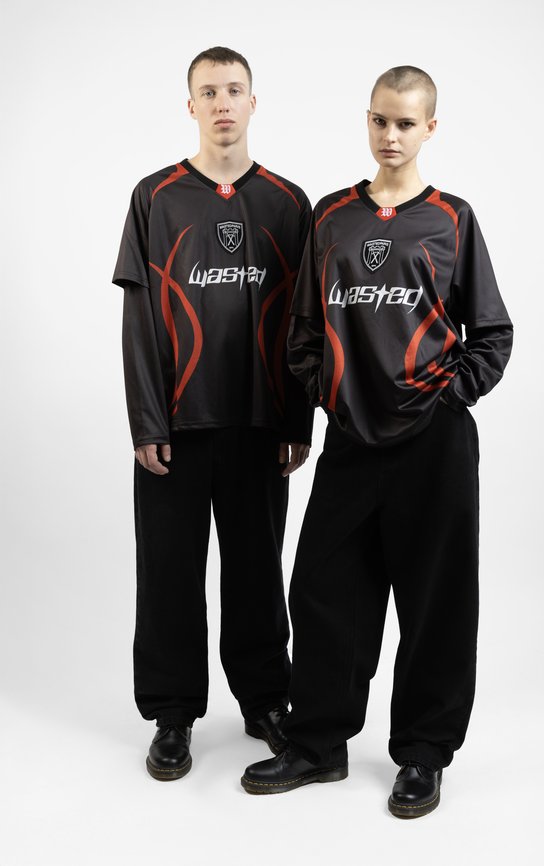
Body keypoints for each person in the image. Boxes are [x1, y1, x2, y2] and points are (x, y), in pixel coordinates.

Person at [241, 65, 513, 817]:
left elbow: (492, 332)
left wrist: (447, 395)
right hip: (353, 440)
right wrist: (332, 393)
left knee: (435, 601)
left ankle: (423, 754)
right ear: (367, 120)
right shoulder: (332, 216)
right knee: (324, 589)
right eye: (380, 120)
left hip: (434, 445)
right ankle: (318, 744)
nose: (391, 136)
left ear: (430, 129)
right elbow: (303, 330)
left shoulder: (452, 219)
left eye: (406, 123)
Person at [112, 46, 313, 781]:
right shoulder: (155, 197)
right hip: (176, 424)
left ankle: (266, 702)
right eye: (209, 91)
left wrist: (298, 421)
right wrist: (146, 422)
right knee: (169, 572)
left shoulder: (289, 203)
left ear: (253, 103)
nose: (222, 103)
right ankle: (172, 713)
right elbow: (138, 320)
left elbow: (305, 324)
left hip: (260, 425)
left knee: (258, 571)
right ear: (190, 105)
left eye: (234, 90)